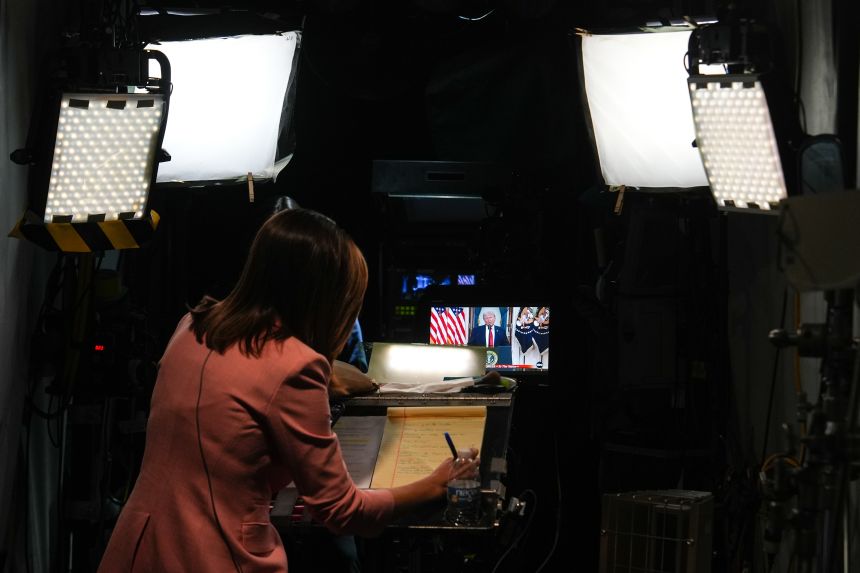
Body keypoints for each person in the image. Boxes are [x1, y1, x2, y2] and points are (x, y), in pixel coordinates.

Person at [98, 209, 478, 572]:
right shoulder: (296, 366)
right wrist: (435, 484)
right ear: (324, 299)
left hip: (138, 549)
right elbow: (343, 510)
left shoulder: (192, 327)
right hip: (218, 556)